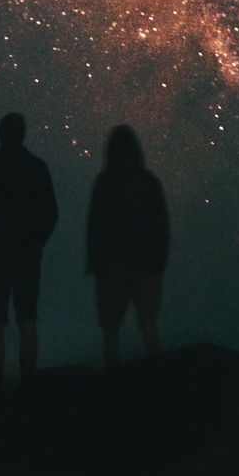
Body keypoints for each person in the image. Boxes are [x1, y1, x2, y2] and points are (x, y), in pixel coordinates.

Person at [0, 113, 59, 395]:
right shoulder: (36, 167)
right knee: (27, 318)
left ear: (0, 134)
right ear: (23, 134)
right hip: (27, 253)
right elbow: (52, 213)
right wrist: (36, 241)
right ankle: (28, 386)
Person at [85, 124, 168, 370]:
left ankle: (112, 390)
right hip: (146, 268)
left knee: (111, 334)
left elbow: (95, 228)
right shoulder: (150, 182)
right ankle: (161, 383)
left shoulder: (104, 182)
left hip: (112, 270)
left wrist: (98, 266)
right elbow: (161, 228)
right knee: (150, 329)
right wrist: (157, 267)